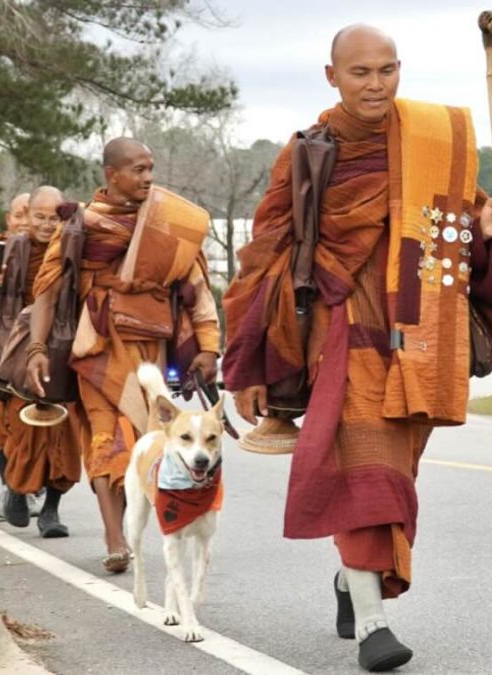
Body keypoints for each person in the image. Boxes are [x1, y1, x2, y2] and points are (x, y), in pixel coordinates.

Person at [222, 24, 492, 672]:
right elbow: (265, 256)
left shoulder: (433, 139)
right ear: (332, 76)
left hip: (420, 339)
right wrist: (250, 360)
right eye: (361, 72)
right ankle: (374, 625)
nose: (376, 84)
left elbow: (464, 234)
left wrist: (485, 228)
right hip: (339, 335)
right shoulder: (308, 153)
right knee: (365, 472)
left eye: (387, 70)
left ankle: (352, 577)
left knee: (394, 477)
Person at [25, 138, 219, 572]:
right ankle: (115, 538)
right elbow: (47, 292)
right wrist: (37, 348)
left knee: (145, 441)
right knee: (104, 437)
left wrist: (208, 347)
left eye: (151, 168)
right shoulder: (81, 224)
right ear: (111, 175)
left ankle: (133, 523)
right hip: (96, 347)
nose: (148, 177)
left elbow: (197, 289)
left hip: (151, 349)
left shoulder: (168, 222)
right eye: (138, 169)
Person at [0, 186, 86, 536]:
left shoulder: (75, 246)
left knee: (64, 434)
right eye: (39, 217)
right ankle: (17, 489)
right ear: (26, 215)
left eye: (54, 218)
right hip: (20, 349)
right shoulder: (9, 251)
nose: (47, 225)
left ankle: (51, 512)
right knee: (24, 433)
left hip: (64, 347)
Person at [0, 191, 30, 521]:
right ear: (8, 220)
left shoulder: (52, 253)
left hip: (35, 350)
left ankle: (28, 489)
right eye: (19, 215)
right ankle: (10, 489)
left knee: (30, 425)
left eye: (32, 214)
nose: (25, 222)